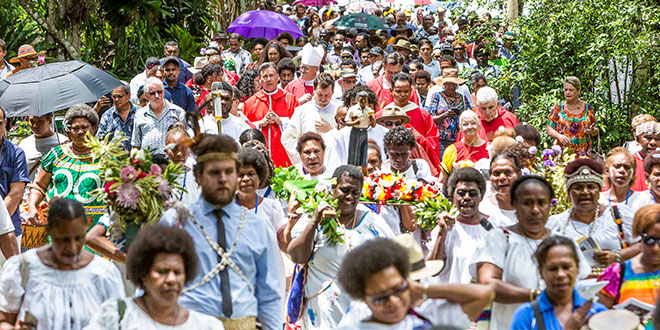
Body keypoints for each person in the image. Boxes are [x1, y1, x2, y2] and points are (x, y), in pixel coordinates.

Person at [160, 134, 282, 329]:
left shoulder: (255, 226)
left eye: (229, 171)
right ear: (198, 176)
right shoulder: (176, 222)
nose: (223, 179)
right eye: (214, 172)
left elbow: (269, 294)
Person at [471, 176, 591, 330]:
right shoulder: (500, 238)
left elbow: (582, 283)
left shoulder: (563, 242)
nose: (535, 210)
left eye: (541, 203)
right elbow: (488, 284)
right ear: (515, 205)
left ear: (549, 205)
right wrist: (539, 295)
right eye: (527, 203)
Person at [288, 165, 395, 329]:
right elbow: (297, 256)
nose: (350, 197)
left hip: (361, 315)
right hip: (323, 316)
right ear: (333, 188)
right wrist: (315, 221)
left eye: (355, 193)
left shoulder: (372, 222)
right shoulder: (313, 216)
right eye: (344, 190)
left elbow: (394, 260)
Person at [0, 198, 124, 329]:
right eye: (63, 240)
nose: (72, 247)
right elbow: (4, 321)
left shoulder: (104, 273)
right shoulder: (23, 269)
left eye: (79, 238)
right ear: (48, 232)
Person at [336, 237, 494, 329]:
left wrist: (425, 290)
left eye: (398, 289)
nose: (394, 301)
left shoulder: (427, 316)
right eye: (380, 297)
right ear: (363, 298)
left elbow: (485, 294)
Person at [85, 225, 224, 329]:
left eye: (177, 272)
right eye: (162, 271)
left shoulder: (207, 326)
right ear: (143, 274)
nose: (171, 279)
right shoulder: (116, 316)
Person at [546, 158, 636, 270]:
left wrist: (618, 256)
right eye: (578, 188)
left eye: (591, 187)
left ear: (599, 191)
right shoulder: (556, 224)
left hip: (615, 284)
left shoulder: (618, 215)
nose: (585, 192)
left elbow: (643, 245)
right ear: (569, 194)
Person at [27, 104, 105, 229]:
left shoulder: (107, 155)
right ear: (68, 132)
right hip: (59, 225)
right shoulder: (55, 155)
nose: (80, 132)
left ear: (94, 128)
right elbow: (39, 186)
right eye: (75, 128)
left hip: (95, 227)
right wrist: (32, 206)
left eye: (85, 127)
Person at [511, 236, 608, 330]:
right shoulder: (527, 316)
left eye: (566, 267)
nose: (560, 275)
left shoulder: (596, 313)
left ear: (577, 268)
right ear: (540, 272)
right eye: (553, 269)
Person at [431, 167, 503, 285]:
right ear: (452, 196)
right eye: (461, 193)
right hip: (453, 299)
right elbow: (434, 271)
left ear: (481, 197)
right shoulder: (445, 228)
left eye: (473, 193)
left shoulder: (495, 226)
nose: (467, 198)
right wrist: (441, 233)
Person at [598, 204, 660, 308]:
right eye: (650, 240)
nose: (656, 248)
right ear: (640, 237)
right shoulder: (617, 273)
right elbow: (599, 315)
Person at [378, 73, 441, 172]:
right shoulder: (381, 115)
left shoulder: (423, 115)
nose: (403, 95)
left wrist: (416, 137)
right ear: (391, 91)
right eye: (398, 91)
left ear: (411, 91)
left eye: (406, 91)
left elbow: (432, 143)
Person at [243, 62, 299, 168]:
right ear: (260, 80)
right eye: (265, 76)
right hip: (259, 156)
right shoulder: (250, 103)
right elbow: (245, 130)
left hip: (284, 156)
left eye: (271, 75)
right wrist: (260, 123)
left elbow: (298, 127)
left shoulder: (291, 100)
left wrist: (281, 121)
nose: (268, 79)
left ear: (277, 77)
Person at [281, 73, 336, 164]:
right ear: (313, 91)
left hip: (331, 162)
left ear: (333, 93)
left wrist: (330, 130)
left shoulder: (338, 110)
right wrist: (305, 151)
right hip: (308, 163)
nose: (323, 99)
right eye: (319, 94)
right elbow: (288, 138)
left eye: (327, 95)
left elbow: (345, 139)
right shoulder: (302, 111)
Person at [131, 77, 187, 155]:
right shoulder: (140, 114)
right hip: (149, 163)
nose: (157, 95)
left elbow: (187, 140)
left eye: (159, 92)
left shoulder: (178, 112)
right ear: (147, 95)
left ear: (164, 92)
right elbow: (136, 145)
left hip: (172, 162)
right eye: (152, 93)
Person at [546, 77, 598, 156]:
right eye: (566, 90)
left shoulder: (588, 108)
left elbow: (596, 130)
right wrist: (559, 137)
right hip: (562, 155)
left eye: (571, 90)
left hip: (583, 154)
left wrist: (591, 131)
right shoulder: (558, 108)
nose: (567, 92)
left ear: (578, 91)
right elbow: (549, 129)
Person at [427, 68, 472, 156]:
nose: (451, 87)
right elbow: (430, 118)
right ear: (444, 85)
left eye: (454, 84)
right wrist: (445, 115)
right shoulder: (437, 96)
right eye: (448, 84)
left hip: (459, 139)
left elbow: (470, 114)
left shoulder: (462, 98)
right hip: (442, 140)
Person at [438, 110, 489, 186]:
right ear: (460, 128)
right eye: (465, 124)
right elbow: (442, 181)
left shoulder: (489, 149)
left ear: (479, 125)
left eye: (473, 123)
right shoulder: (452, 150)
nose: (470, 127)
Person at [18, 113, 68, 182]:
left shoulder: (63, 142)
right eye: (32, 121)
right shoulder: (24, 144)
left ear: (50, 121)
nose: (35, 125)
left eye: (40, 121)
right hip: (29, 190)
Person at [478, 152, 522, 226]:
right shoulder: (482, 210)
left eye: (508, 172)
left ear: (519, 174)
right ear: (490, 177)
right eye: (496, 173)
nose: (502, 178)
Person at [97, 84, 138, 151]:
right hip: (113, 159)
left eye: (120, 96)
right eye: (114, 96)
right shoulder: (107, 115)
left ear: (128, 96)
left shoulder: (139, 113)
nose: (117, 99)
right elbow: (100, 138)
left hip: (136, 158)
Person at [631, 121, 660, 192]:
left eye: (657, 139)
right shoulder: (629, 163)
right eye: (648, 138)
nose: (653, 142)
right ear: (638, 139)